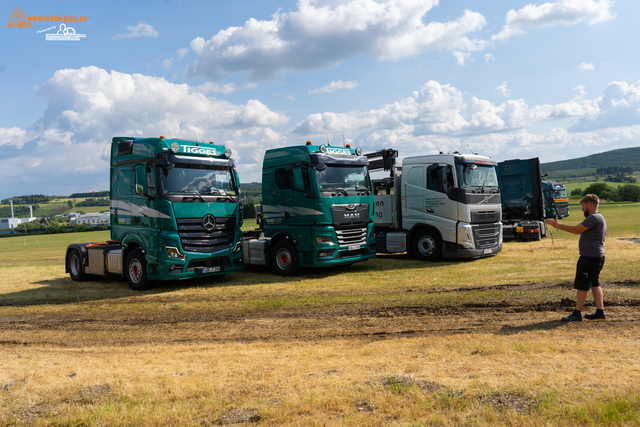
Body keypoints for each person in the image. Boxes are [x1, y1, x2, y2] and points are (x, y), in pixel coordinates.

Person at [545, 194, 607, 322]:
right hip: (595, 257)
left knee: (582, 285)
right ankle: (600, 312)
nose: (582, 209)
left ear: (590, 205)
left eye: (583, 206)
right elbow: (579, 230)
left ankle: (577, 314)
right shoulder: (597, 217)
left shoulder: (593, 218)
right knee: (594, 283)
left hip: (590, 258)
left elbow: (576, 230)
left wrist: (558, 225)